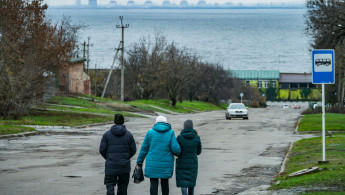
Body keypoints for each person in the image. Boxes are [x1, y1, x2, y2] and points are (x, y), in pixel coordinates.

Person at [136, 115, 181, 195]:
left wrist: (139, 161)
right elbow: (176, 149)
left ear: (156, 122)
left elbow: (144, 149)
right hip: (166, 164)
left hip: (152, 164)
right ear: (166, 123)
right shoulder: (170, 133)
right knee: (165, 183)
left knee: (153, 184)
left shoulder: (150, 132)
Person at [99, 114, 137, 195]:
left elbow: (102, 149)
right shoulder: (129, 134)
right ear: (123, 121)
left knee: (110, 185)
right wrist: (126, 157)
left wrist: (108, 157)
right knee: (123, 187)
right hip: (124, 166)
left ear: (114, 121)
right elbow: (133, 150)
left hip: (111, 165)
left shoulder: (107, 134)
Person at [175, 119, 202, 195]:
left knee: (183, 183)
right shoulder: (197, 137)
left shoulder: (179, 137)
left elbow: (177, 151)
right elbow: (199, 152)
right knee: (191, 183)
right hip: (193, 163)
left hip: (182, 163)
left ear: (184, 127)